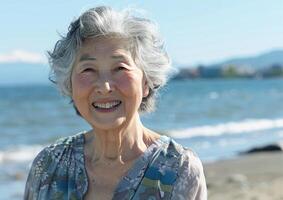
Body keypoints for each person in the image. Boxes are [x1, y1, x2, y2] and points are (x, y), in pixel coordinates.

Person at [24, 6, 207, 200]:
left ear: (146, 82)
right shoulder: (48, 166)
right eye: (88, 69)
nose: (104, 86)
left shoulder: (179, 170)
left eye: (120, 68)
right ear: (70, 85)